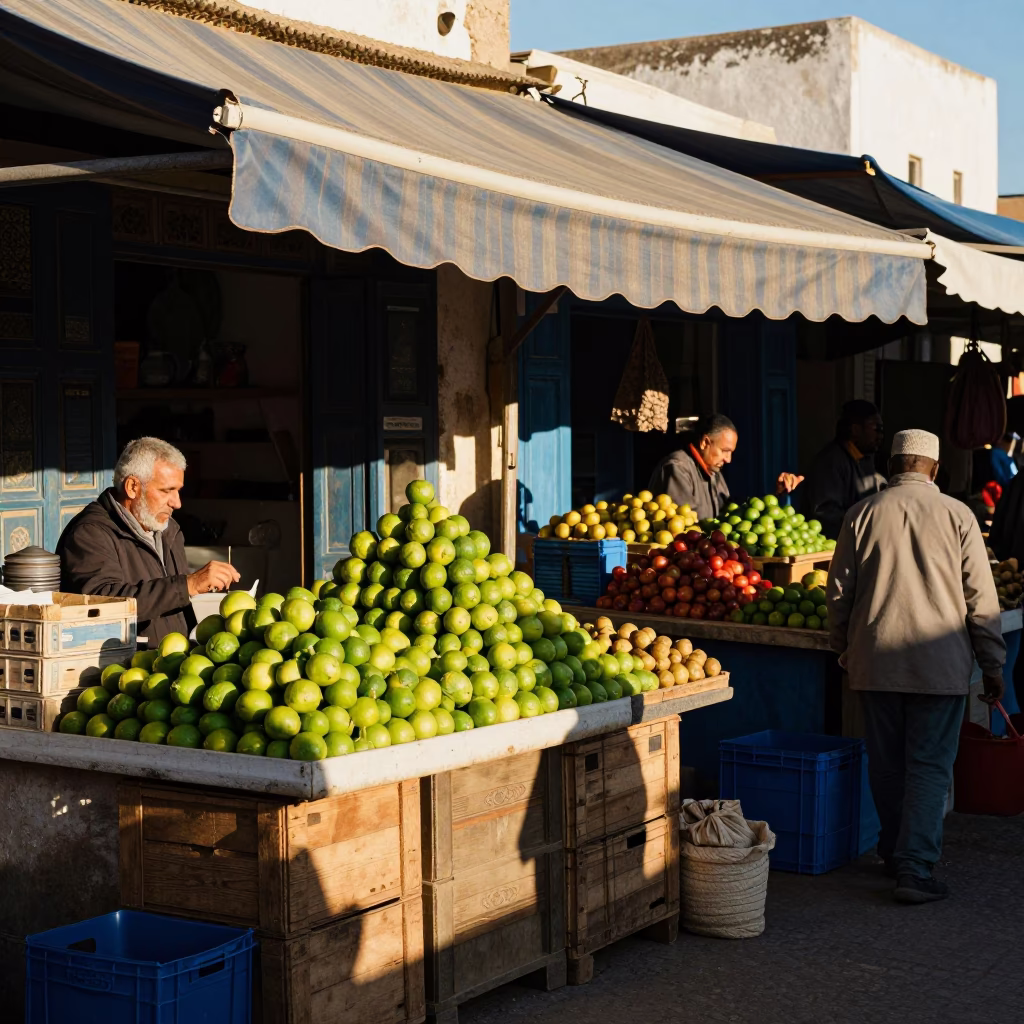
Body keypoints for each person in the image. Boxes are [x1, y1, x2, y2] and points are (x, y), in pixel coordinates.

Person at [827, 429, 1005, 905]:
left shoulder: (861, 514)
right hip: (939, 667)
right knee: (928, 766)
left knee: (886, 763)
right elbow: (981, 604)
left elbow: (838, 595)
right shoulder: (959, 515)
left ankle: (892, 852)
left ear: (893, 464)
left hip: (875, 661)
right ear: (934, 469)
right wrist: (993, 665)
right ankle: (915, 867)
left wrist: (844, 647)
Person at [57, 437, 240, 643]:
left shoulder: (168, 529)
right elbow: (103, 604)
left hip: (174, 663)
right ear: (133, 487)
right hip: (123, 667)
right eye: (166, 490)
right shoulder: (90, 534)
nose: (177, 503)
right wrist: (188, 585)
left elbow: (175, 600)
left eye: (178, 490)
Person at [647, 413, 803, 521]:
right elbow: (687, 524)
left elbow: (733, 515)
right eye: (725, 451)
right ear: (705, 443)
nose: (728, 460)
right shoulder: (676, 468)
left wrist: (775, 494)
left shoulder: (714, 472)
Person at [803, 400, 886, 540]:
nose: (880, 436)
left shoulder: (864, 459)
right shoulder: (830, 463)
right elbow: (825, 513)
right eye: (876, 429)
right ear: (855, 430)